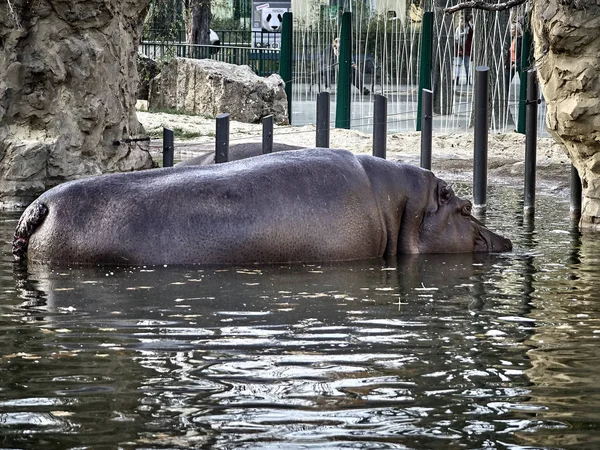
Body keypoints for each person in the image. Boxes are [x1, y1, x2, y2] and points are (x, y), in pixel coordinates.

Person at [454, 15, 473, 85]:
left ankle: (468, 80)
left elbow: (470, 40)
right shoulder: (458, 29)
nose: (461, 23)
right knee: (458, 65)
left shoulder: (469, 30)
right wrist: (459, 50)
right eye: (460, 21)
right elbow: (456, 41)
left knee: (467, 65)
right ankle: (457, 80)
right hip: (460, 50)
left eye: (462, 21)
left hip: (467, 51)